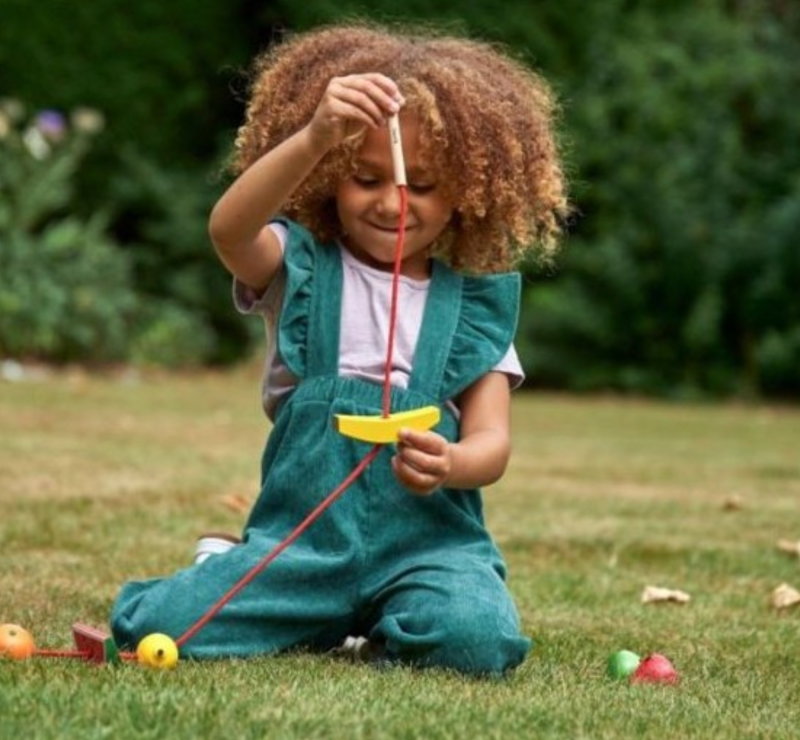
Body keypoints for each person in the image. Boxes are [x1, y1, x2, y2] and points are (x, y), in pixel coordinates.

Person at [111, 22, 568, 676]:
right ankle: (247, 572)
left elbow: (493, 443)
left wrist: (453, 461)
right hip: (303, 545)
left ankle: (375, 621)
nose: (392, 202)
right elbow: (228, 230)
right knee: (159, 627)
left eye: (423, 184)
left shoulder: (473, 308)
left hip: (430, 550)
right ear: (331, 179)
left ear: (469, 192)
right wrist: (315, 137)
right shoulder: (298, 269)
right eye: (364, 177)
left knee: (477, 640)